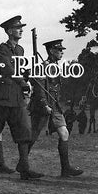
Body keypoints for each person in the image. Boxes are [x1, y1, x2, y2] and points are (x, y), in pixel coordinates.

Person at [0, 15, 43, 180]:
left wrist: (27, 75)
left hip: (17, 98)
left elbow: (18, 69)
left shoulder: (20, 50)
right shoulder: (3, 49)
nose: (21, 30)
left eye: (21, 28)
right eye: (17, 28)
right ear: (9, 31)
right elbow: (7, 69)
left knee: (24, 131)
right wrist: (22, 80)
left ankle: (24, 168)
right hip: (2, 98)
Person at [29, 39, 83, 177]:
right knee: (33, 136)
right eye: (59, 50)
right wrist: (44, 104)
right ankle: (23, 165)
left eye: (62, 50)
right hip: (43, 106)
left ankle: (65, 169)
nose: (62, 52)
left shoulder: (56, 67)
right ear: (52, 51)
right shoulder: (43, 66)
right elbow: (39, 88)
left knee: (64, 133)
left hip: (55, 106)